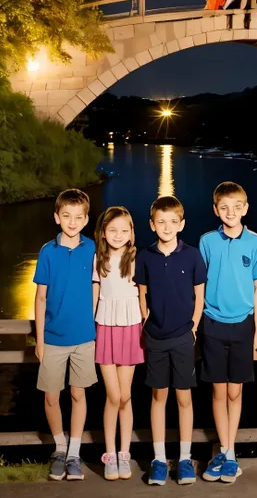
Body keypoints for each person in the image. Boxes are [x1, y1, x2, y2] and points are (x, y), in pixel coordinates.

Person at [200, 181, 257, 483]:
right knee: (218, 389)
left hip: (243, 323)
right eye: (224, 207)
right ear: (216, 210)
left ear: (245, 208)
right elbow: (198, 284)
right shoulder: (206, 241)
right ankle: (224, 450)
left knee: (235, 390)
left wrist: (256, 330)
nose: (230, 213)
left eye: (236, 207)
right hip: (212, 321)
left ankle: (230, 451)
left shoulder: (254, 242)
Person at [135, 196, 207, 486]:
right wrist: (145, 320)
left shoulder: (191, 256)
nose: (167, 226)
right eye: (161, 221)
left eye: (173, 222)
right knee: (158, 396)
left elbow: (199, 295)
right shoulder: (145, 256)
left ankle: (186, 458)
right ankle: (158, 458)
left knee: (184, 397)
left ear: (182, 224)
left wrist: (193, 328)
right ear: (152, 224)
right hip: (155, 336)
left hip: (182, 336)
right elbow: (142, 293)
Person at [34, 189, 97, 481]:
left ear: (86, 219)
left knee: (78, 393)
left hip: (84, 336)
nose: (73, 222)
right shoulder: (48, 251)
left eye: (79, 217)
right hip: (54, 337)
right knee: (51, 396)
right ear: (57, 217)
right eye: (67, 216)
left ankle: (74, 452)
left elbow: (100, 287)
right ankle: (59, 447)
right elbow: (40, 298)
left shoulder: (93, 248)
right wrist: (40, 339)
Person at [93, 206, 144, 481]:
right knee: (113, 395)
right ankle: (109, 453)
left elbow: (144, 294)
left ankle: (124, 453)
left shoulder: (137, 258)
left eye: (124, 230)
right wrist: (89, 325)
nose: (118, 234)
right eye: (112, 229)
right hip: (105, 327)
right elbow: (95, 290)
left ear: (132, 233)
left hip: (131, 327)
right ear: (103, 232)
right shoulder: (98, 259)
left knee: (126, 396)